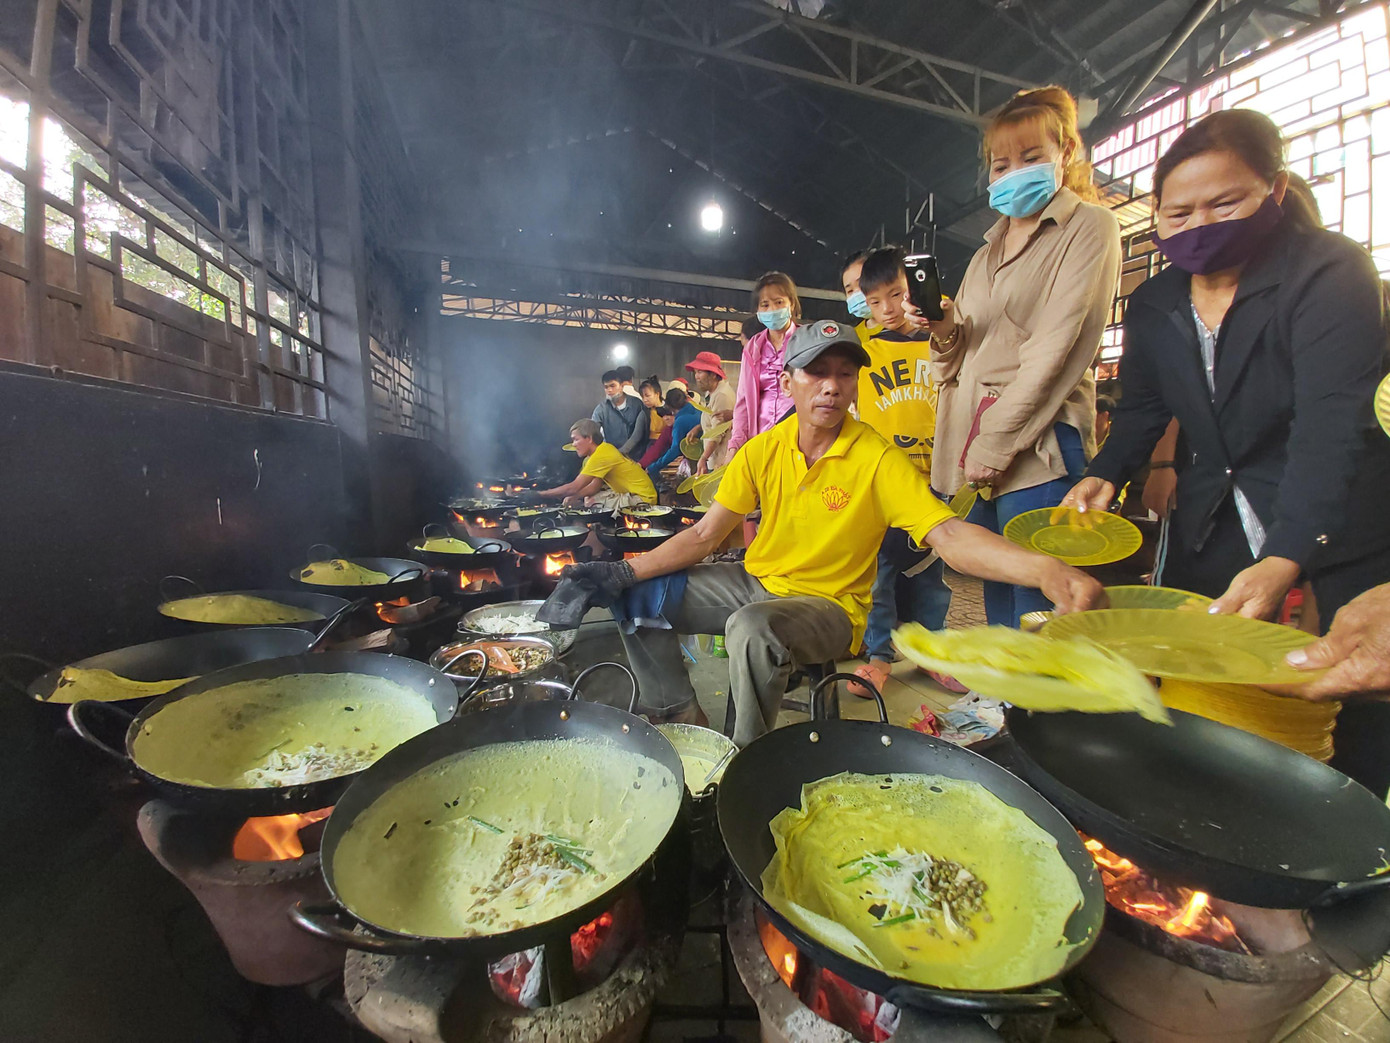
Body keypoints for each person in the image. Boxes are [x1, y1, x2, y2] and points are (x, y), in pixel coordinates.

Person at [558, 321, 1104, 745]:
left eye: (845, 373)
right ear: (789, 380)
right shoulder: (763, 451)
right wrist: (621, 569)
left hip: (832, 609)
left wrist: (1047, 570)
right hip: (758, 583)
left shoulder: (876, 459)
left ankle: (744, 760)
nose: (831, 386)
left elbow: (951, 537)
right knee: (635, 596)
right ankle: (684, 716)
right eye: (817, 372)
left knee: (751, 629)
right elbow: (706, 537)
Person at [1060, 109, 1390, 796]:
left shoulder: (1328, 274)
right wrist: (1103, 472)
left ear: (1274, 191)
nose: (1199, 225)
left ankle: (1345, 842)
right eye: (1178, 213)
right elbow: (1147, 406)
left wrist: (1288, 552)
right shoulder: (1154, 302)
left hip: (1333, 518)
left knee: (1339, 686)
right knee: (1204, 680)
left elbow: (1332, 425)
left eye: (1225, 202)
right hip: (1213, 517)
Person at [904, 85, 1121, 627]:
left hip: (1036, 444)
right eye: (1001, 164)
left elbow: (1058, 347)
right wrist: (943, 326)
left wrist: (996, 442)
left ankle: (1045, 714)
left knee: (1045, 607)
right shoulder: (984, 253)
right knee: (1000, 598)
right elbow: (955, 361)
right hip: (970, 442)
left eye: (1031, 158)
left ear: (1066, 153)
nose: (1013, 173)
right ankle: (1006, 711)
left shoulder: (1090, 228)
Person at [848, 246, 957, 697]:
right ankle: (877, 658)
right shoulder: (861, 350)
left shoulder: (943, 339)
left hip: (937, 476)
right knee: (880, 572)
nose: (887, 309)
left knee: (931, 570)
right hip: (881, 481)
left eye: (896, 294)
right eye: (874, 301)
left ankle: (932, 653)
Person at [728, 272, 801, 455]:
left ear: (791, 303)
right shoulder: (752, 348)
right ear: (758, 311)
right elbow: (743, 402)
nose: (772, 309)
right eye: (765, 305)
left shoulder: (806, 340)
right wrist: (735, 445)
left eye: (779, 302)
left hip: (800, 438)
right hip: (761, 442)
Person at [536, 419, 657, 510]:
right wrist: (575, 497)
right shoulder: (599, 452)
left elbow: (573, 487)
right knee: (588, 499)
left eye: (576, 439)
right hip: (633, 494)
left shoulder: (602, 454)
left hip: (643, 499)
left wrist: (539, 495)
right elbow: (594, 487)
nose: (573, 444)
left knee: (591, 503)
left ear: (589, 438)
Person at [689, 349, 736, 474]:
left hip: (720, 461)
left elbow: (717, 434)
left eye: (700, 372)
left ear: (713, 374)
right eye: (695, 372)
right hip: (714, 459)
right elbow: (713, 419)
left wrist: (703, 458)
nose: (696, 377)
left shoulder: (722, 396)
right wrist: (698, 428)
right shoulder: (711, 393)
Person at [646, 387, 702, 482]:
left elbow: (675, 450)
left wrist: (653, 467)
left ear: (669, 407)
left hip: (696, 461)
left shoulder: (680, 421)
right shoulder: (698, 411)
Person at [591, 370, 647, 459]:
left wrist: (620, 452)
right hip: (612, 458)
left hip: (636, 457)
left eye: (612, 386)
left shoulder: (637, 404)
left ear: (621, 386)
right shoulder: (601, 409)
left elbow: (638, 434)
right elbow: (593, 430)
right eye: (606, 387)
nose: (609, 390)